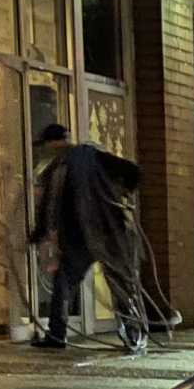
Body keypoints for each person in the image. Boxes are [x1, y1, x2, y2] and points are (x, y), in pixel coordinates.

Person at [30, 122, 149, 353]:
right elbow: (134, 173)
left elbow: (50, 204)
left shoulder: (60, 167)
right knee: (120, 285)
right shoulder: (93, 156)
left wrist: (39, 233)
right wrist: (123, 197)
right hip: (109, 232)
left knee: (65, 282)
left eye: (46, 145)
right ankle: (132, 336)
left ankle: (57, 334)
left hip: (80, 237)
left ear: (54, 143)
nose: (46, 150)